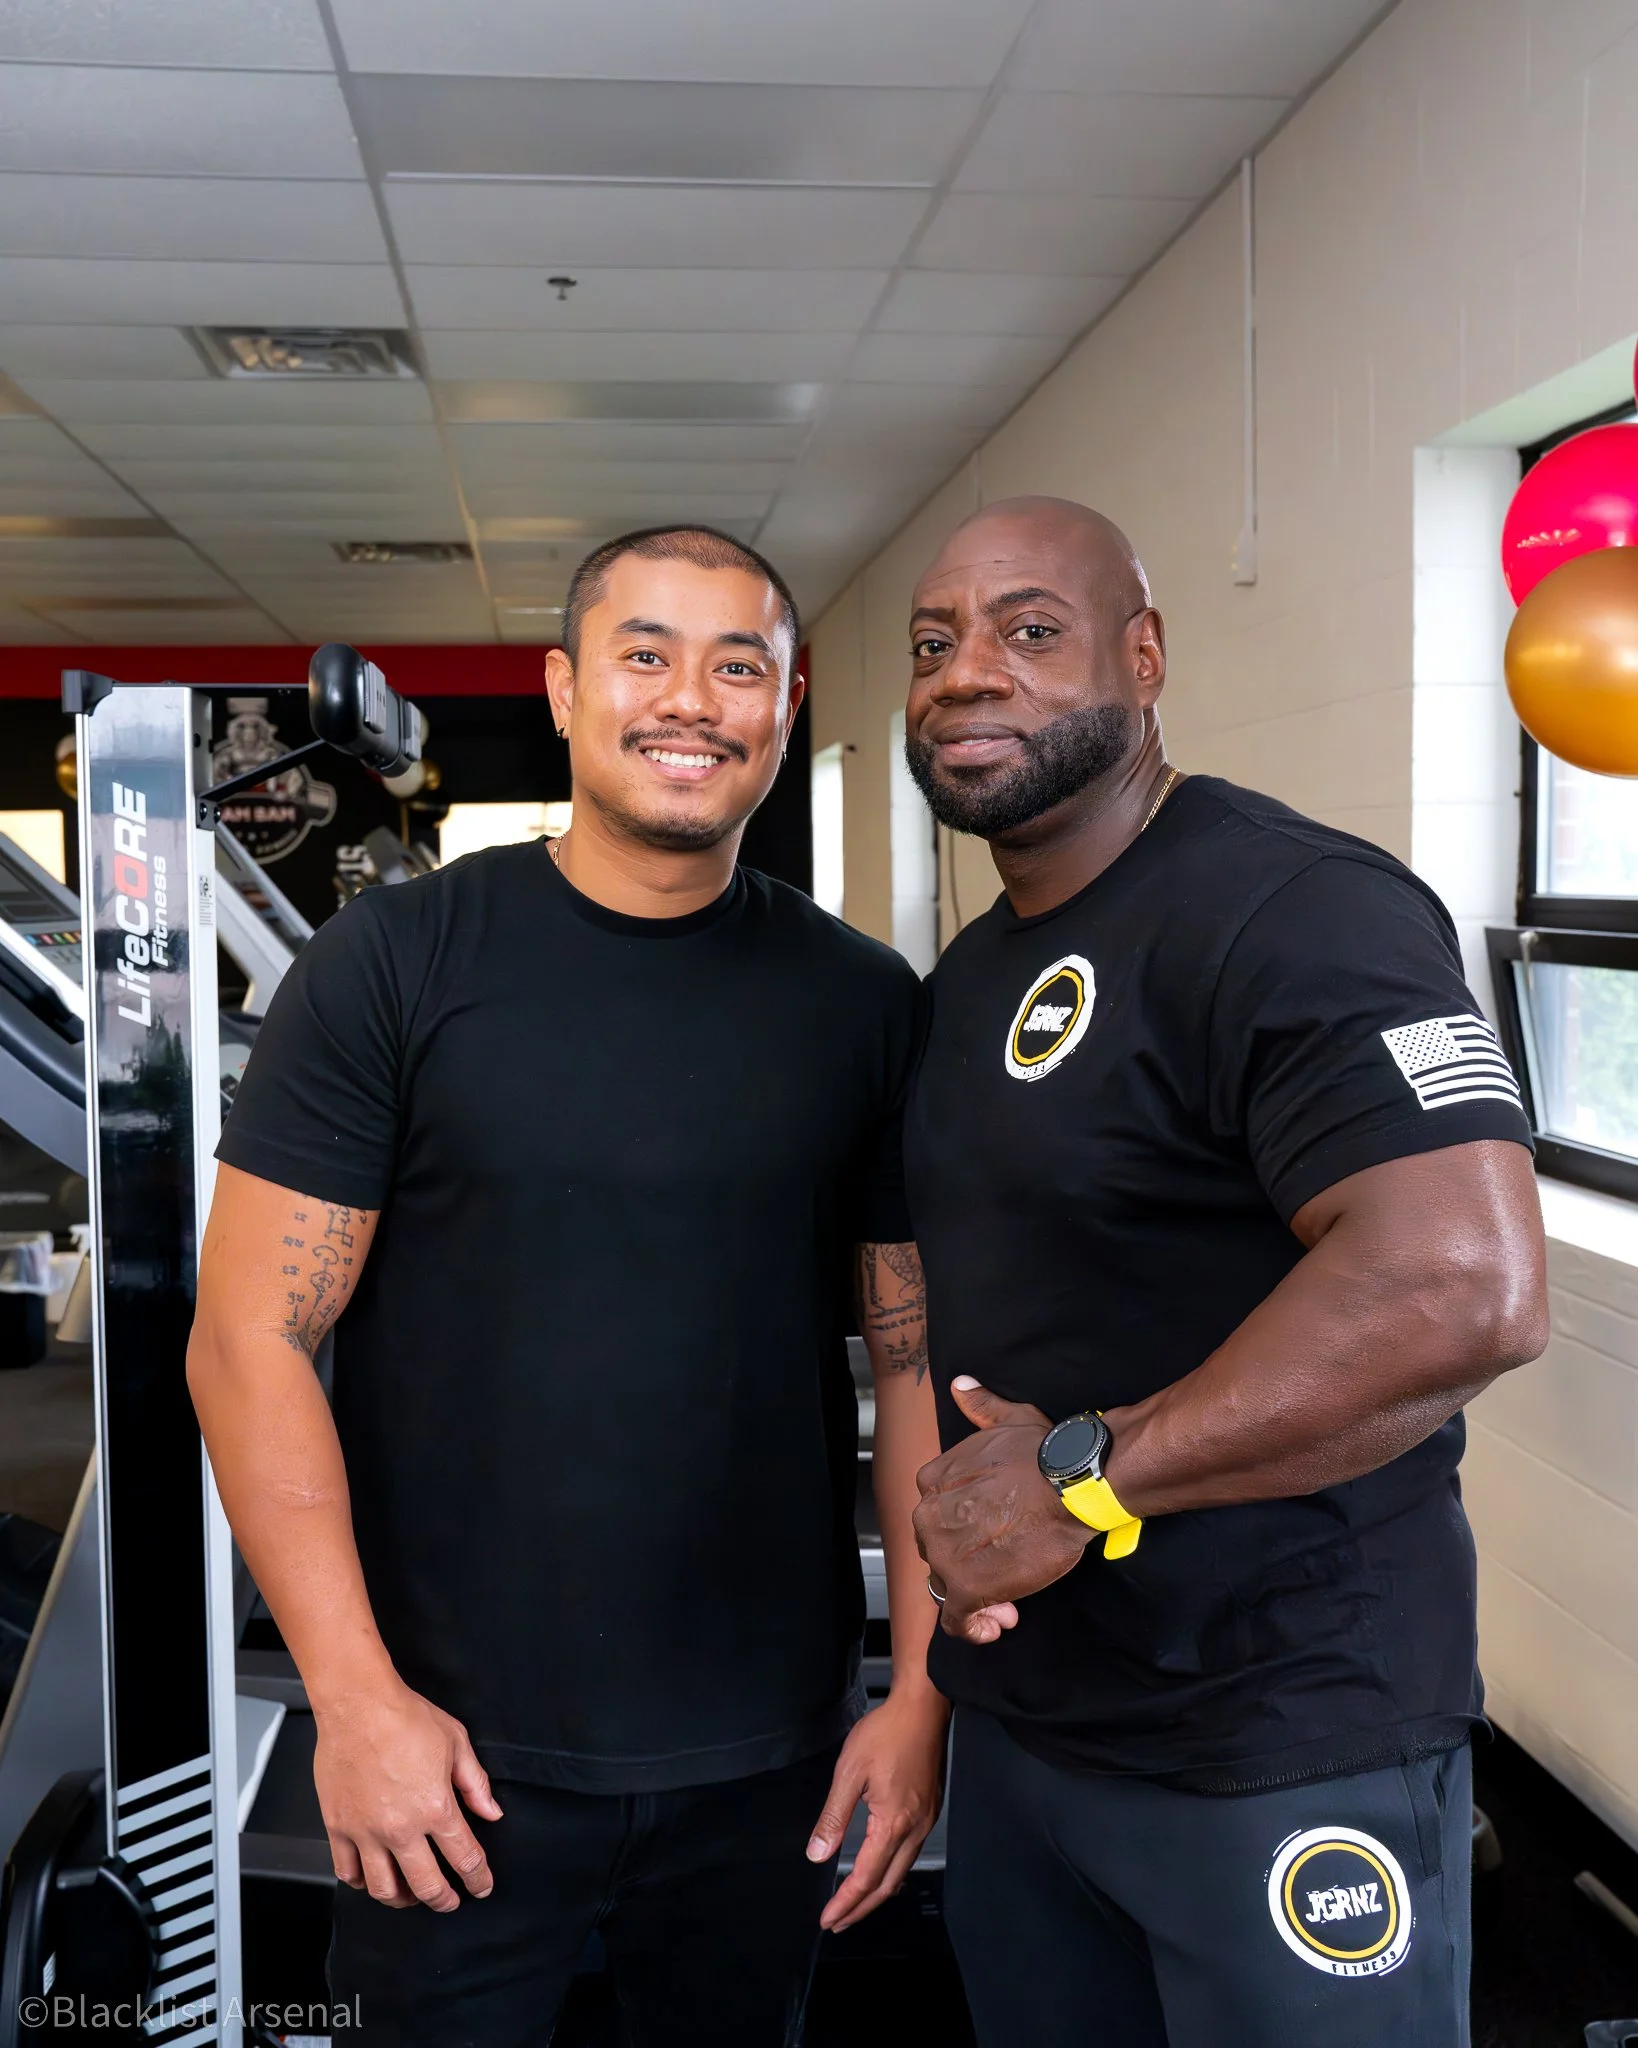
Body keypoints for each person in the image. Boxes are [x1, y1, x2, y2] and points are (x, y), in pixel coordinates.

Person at [187, 526, 949, 2047]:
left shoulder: (864, 1004)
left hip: (765, 1753)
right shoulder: (396, 962)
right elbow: (248, 1340)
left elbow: (915, 1361)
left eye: (740, 666)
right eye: (645, 654)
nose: (692, 699)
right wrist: (354, 1702)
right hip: (452, 1751)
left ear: (785, 707)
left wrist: (917, 1701)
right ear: (562, 686)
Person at [901, 496, 1548, 2047]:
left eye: (1028, 631)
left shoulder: (1292, 905)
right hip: (1037, 1725)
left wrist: (1079, 1479)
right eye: (933, 645)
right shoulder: (972, 972)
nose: (965, 673)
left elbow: (1460, 1280)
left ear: (1144, 657)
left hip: (1275, 1728)